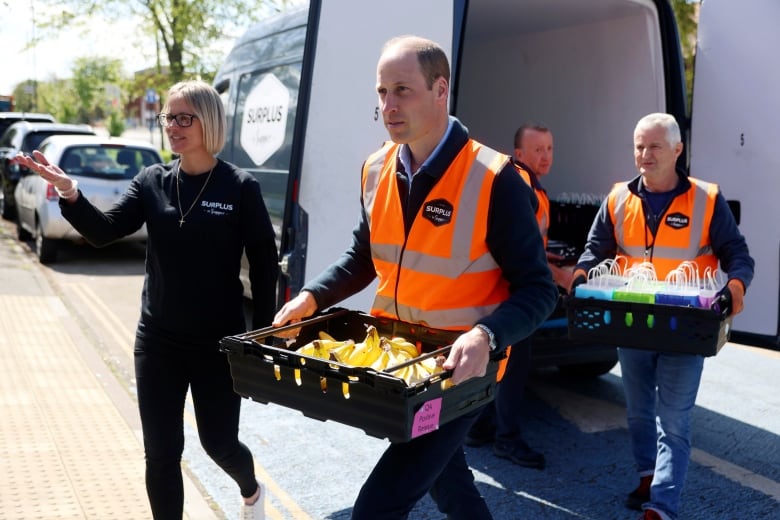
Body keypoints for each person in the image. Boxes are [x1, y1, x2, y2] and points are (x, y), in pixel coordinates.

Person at [272, 36, 558, 520]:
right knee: (451, 487)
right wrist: (311, 295)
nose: (388, 105)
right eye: (382, 92)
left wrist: (487, 335)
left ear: (441, 89)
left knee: (378, 508)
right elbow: (364, 255)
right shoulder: (376, 167)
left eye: (402, 90)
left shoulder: (496, 178)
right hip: (399, 365)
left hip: (457, 373)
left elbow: (539, 289)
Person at [14, 80, 278, 520]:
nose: (172, 126)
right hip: (158, 342)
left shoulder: (240, 187)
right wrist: (69, 192)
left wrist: (263, 337)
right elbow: (103, 231)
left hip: (219, 344)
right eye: (167, 118)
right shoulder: (152, 181)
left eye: (183, 118)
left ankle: (251, 492)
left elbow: (266, 266)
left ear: (208, 121)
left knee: (219, 444)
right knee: (161, 453)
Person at [569, 112, 754, 520]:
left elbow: (738, 256)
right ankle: (646, 474)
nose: (644, 154)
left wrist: (735, 287)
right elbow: (594, 247)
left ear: (677, 149)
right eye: (638, 145)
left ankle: (662, 506)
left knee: (673, 418)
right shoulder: (618, 198)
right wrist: (582, 274)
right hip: (632, 321)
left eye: (654, 146)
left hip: (686, 326)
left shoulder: (705, 199)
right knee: (637, 411)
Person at [465, 124, 569, 469]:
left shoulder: (535, 189)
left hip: (511, 294)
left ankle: (480, 428)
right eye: (537, 150)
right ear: (519, 154)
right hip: (513, 298)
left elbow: (527, 245)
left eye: (551, 149)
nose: (546, 156)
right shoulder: (520, 185)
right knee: (512, 370)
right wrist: (562, 277)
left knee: (500, 368)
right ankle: (506, 441)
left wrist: (548, 259)